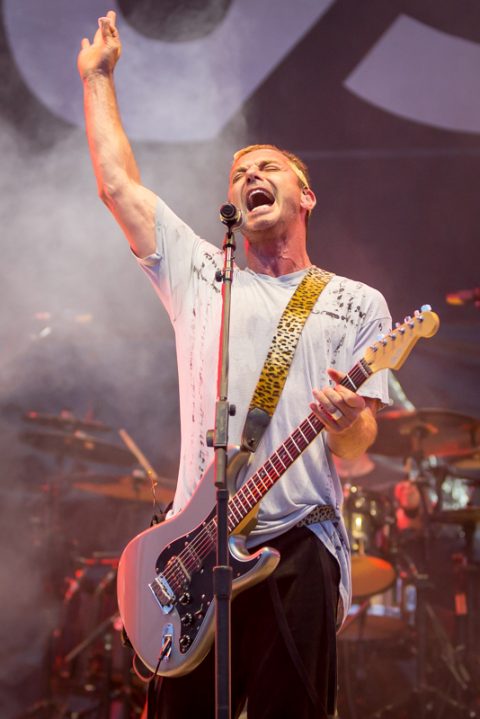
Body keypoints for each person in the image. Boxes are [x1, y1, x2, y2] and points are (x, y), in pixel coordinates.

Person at [78, 11, 391, 719]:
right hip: (193, 555)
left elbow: (359, 443)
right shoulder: (202, 272)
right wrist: (96, 79)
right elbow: (119, 188)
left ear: (304, 195)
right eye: (239, 171)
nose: (249, 174)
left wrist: (346, 423)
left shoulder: (353, 302)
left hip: (299, 543)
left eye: (267, 167)